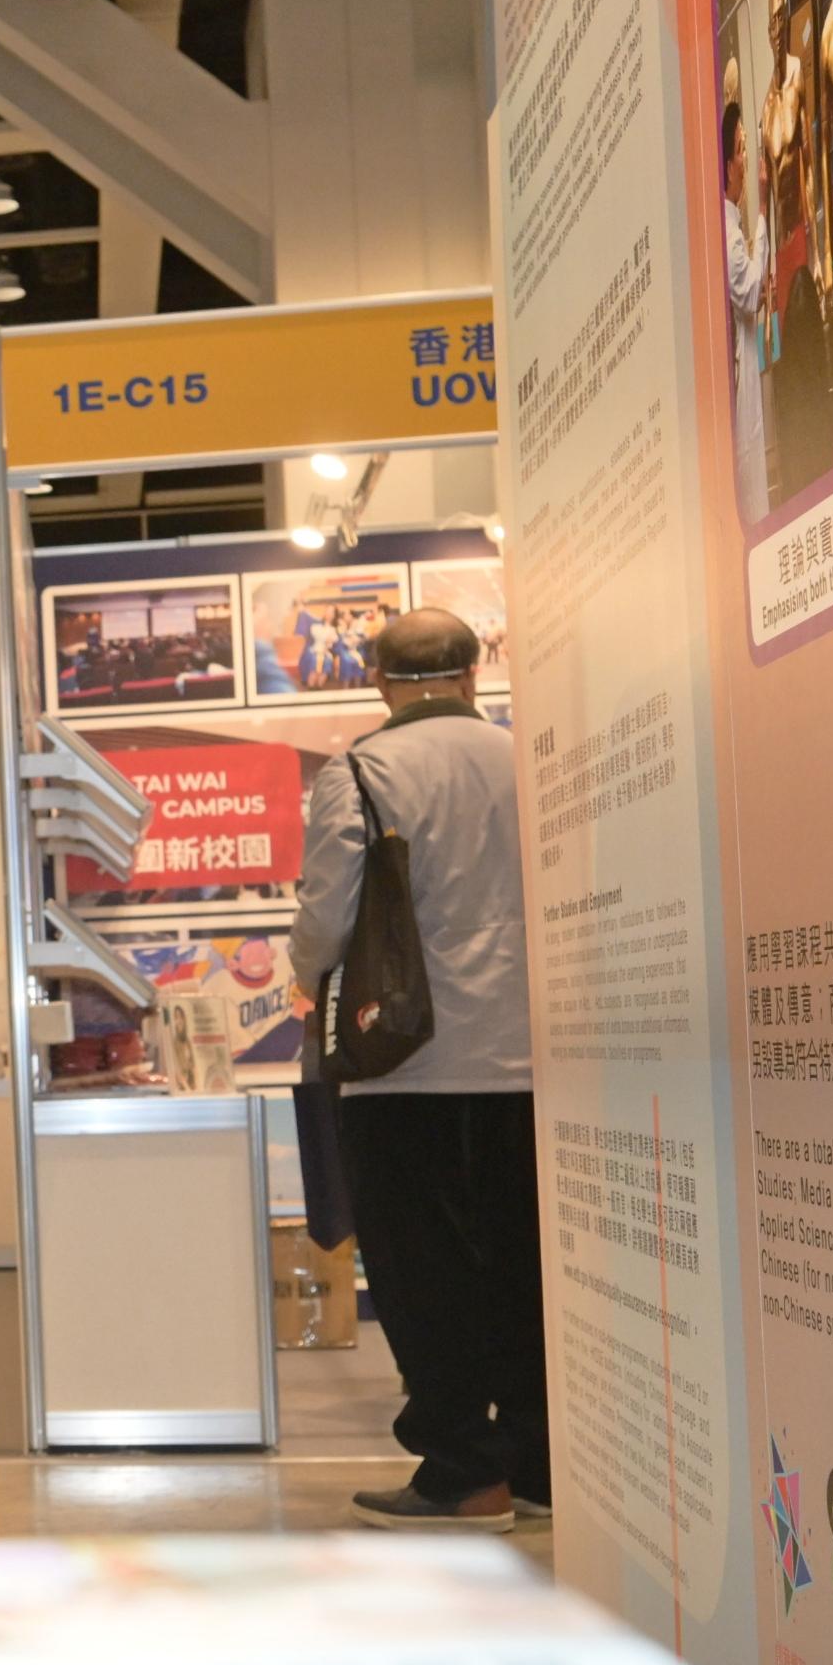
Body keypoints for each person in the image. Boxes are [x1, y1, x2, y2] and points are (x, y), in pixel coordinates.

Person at [286, 610, 545, 1532]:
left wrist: (300, 976)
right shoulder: (530, 758)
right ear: (474, 674)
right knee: (525, 1262)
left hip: (408, 1064)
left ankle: (461, 1472)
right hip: (534, 1058)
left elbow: (326, 918)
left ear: (381, 681)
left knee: (421, 1270)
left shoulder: (362, 770)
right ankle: (539, 1461)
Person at [721, 93, 770, 520]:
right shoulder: (729, 233)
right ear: (727, 168)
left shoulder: (729, 229)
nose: (746, 160)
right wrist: (765, 210)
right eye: (739, 151)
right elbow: (751, 292)